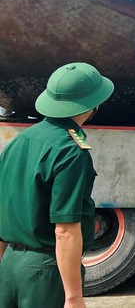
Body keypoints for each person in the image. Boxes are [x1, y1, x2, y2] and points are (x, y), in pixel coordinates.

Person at [0, 62, 114, 308]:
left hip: (9, 265)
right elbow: (64, 230)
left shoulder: (19, 142)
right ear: (93, 105)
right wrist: (73, 297)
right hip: (45, 274)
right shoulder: (70, 151)